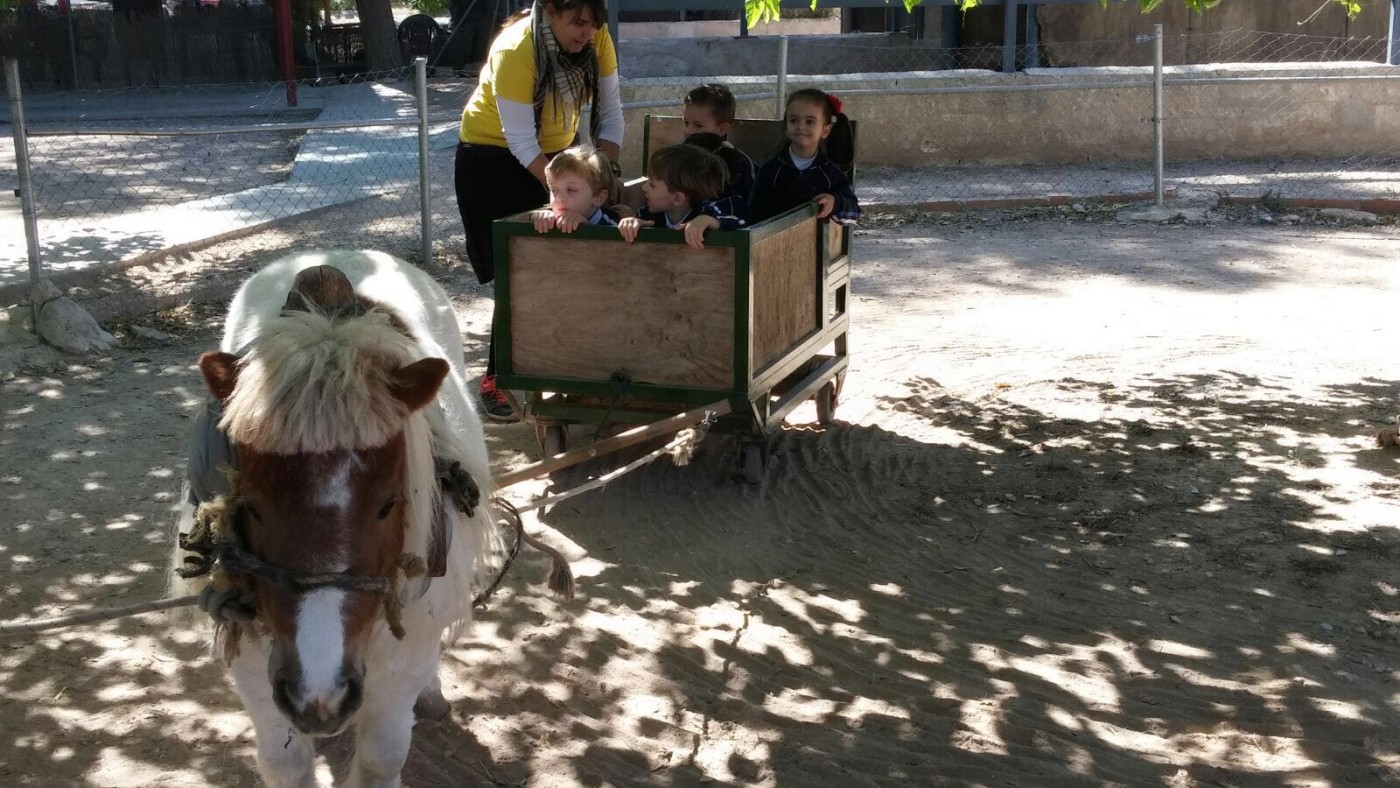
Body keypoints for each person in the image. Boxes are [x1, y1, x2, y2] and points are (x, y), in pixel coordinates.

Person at [455, 0, 623, 421]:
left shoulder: (597, 36)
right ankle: (497, 379)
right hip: (494, 159)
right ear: (550, 11)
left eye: (593, 23)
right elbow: (521, 143)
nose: (587, 31)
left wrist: (605, 176)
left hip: (563, 153)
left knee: (570, 261)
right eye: (577, 21)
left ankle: (562, 366)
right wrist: (566, 193)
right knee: (518, 273)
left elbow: (612, 110)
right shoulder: (517, 50)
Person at [750, 88, 861, 225]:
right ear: (786, 126)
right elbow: (753, 214)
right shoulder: (771, 170)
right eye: (794, 120)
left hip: (818, 244)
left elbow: (854, 212)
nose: (801, 126)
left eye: (810, 122)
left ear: (825, 130)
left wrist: (835, 202)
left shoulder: (831, 173)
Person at [618, 144, 744, 250]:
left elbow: (741, 226)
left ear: (677, 198)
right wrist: (633, 223)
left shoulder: (707, 212)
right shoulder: (647, 216)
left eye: (652, 185)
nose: (644, 188)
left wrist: (709, 222)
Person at [681, 84, 755, 222]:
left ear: (722, 129)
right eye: (686, 123)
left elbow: (740, 208)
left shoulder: (735, 164)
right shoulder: (679, 157)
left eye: (698, 125)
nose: (689, 131)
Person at [529, 145, 622, 232]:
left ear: (598, 197)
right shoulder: (552, 219)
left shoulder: (613, 226)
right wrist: (540, 221)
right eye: (554, 190)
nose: (560, 198)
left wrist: (586, 229)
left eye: (571, 190)